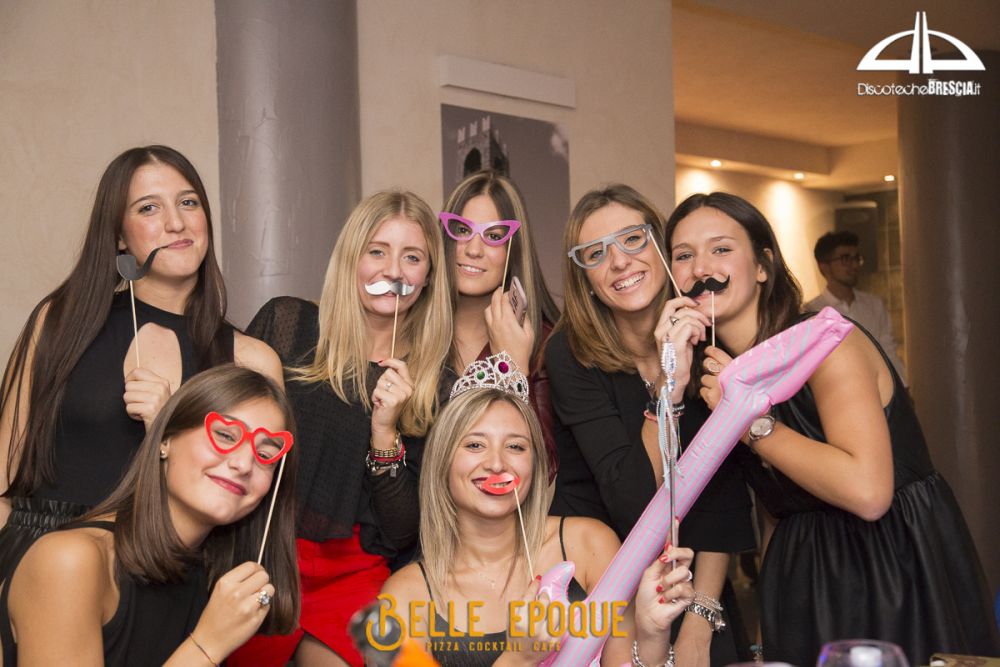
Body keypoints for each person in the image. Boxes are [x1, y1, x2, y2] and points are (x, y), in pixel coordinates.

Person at [663, 191, 1000, 664]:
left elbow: (868, 492)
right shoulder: (713, 373)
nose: (701, 267)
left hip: (890, 565)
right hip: (800, 577)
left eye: (721, 248)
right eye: (683, 256)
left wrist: (747, 421)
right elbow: (772, 505)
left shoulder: (825, 343)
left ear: (762, 266)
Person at [0, 146, 282, 585]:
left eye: (188, 202)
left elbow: (253, 503)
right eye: (149, 208)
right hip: (45, 566)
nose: (176, 223)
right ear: (119, 236)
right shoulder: (60, 321)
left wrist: (166, 426)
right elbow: (4, 472)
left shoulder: (251, 359)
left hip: (176, 573)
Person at [229, 190, 454, 667]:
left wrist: (385, 431)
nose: (394, 271)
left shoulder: (437, 384)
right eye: (377, 251)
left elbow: (402, 532)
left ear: (429, 275)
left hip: (353, 574)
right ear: (351, 258)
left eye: (412, 257)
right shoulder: (287, 324)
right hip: (263, 555)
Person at [544, 184, 755, 666]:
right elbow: (635, 500)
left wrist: (701, 619)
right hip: (604, 582)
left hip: (697, 578)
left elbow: (723, 493)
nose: (619, 261)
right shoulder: (570, 353)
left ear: (662, 247)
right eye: (595, 253)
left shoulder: (709, 334)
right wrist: (668, 386)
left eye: (633, 239)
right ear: (584, 278)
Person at [381, 357, 696, 666]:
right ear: (443, 461)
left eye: (515, 447)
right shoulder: (405, 595)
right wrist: (518, 658)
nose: (497, 463)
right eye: (475, 445)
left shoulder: (587, 544)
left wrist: (652, 635)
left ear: (534, 465)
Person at [0, 364, 300, 666]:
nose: (244, 464)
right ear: (165, 439)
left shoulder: (213, 582)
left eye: (265, 455)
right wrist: (207, 646)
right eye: (224, 435)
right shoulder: (69, 561)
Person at [440, 170, 561, 476]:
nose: (473, 249)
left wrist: (514, 368)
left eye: (494, 236)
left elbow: (541, 470)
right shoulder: (416, 331)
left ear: (513, 249)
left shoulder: (546, 343)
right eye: (462, 230)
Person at [805, 230, 907, 383]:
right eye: (845, 259)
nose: (854, 265)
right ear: (824, 267)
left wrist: (903, 384)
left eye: (856, 258)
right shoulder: (812, 312)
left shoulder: (874, 305)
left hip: (880, 388)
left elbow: (888, 350)